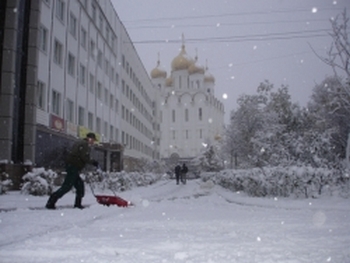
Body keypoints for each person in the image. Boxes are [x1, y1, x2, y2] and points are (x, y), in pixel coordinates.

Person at [45, 132, 99, 209]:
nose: (93, 142)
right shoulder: (84, 144)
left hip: (73, 167)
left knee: (80, 186)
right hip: (73, 167)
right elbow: (84, 157)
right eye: (93, 140)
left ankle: (78, 204)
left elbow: (80, 156)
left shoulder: (81, 143)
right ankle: (51, 202)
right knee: (67, 186)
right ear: (90, 138)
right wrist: (93, 162)